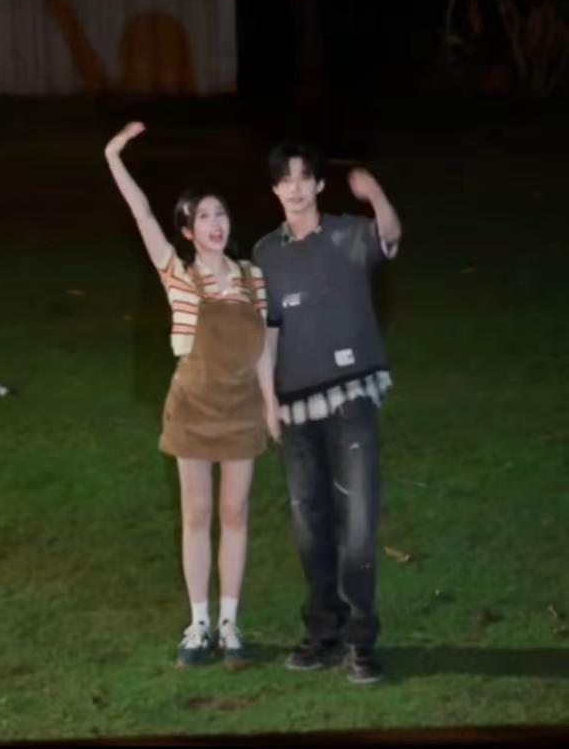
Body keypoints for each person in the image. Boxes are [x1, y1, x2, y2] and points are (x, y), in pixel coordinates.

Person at [104, 122, 279, 669]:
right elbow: (142, 215)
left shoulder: (252, 277)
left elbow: (264, 346)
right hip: (193, 409)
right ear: (186, 229)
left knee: (235, 512)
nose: (215, 223)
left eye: (220, 213)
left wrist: (271, 403)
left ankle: (230, 623)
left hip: (243, 408)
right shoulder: (177, 276)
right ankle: (198, 624)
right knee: (197, 513)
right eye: (202, 216)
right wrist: (114, 156)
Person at [252, 140, 402, 685]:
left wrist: (374, 193)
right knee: (309, 525)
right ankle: (324, 632)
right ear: (275, 189)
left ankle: (362, 642)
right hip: (295, 408)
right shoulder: (265, 254)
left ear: (318, 184)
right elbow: (267, 331)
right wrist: (268, 401)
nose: (294, 188)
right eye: (284, 179)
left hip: (351, 400)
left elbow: (389, 237)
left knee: (357, 524)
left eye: (303, 177)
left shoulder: (347, 234)